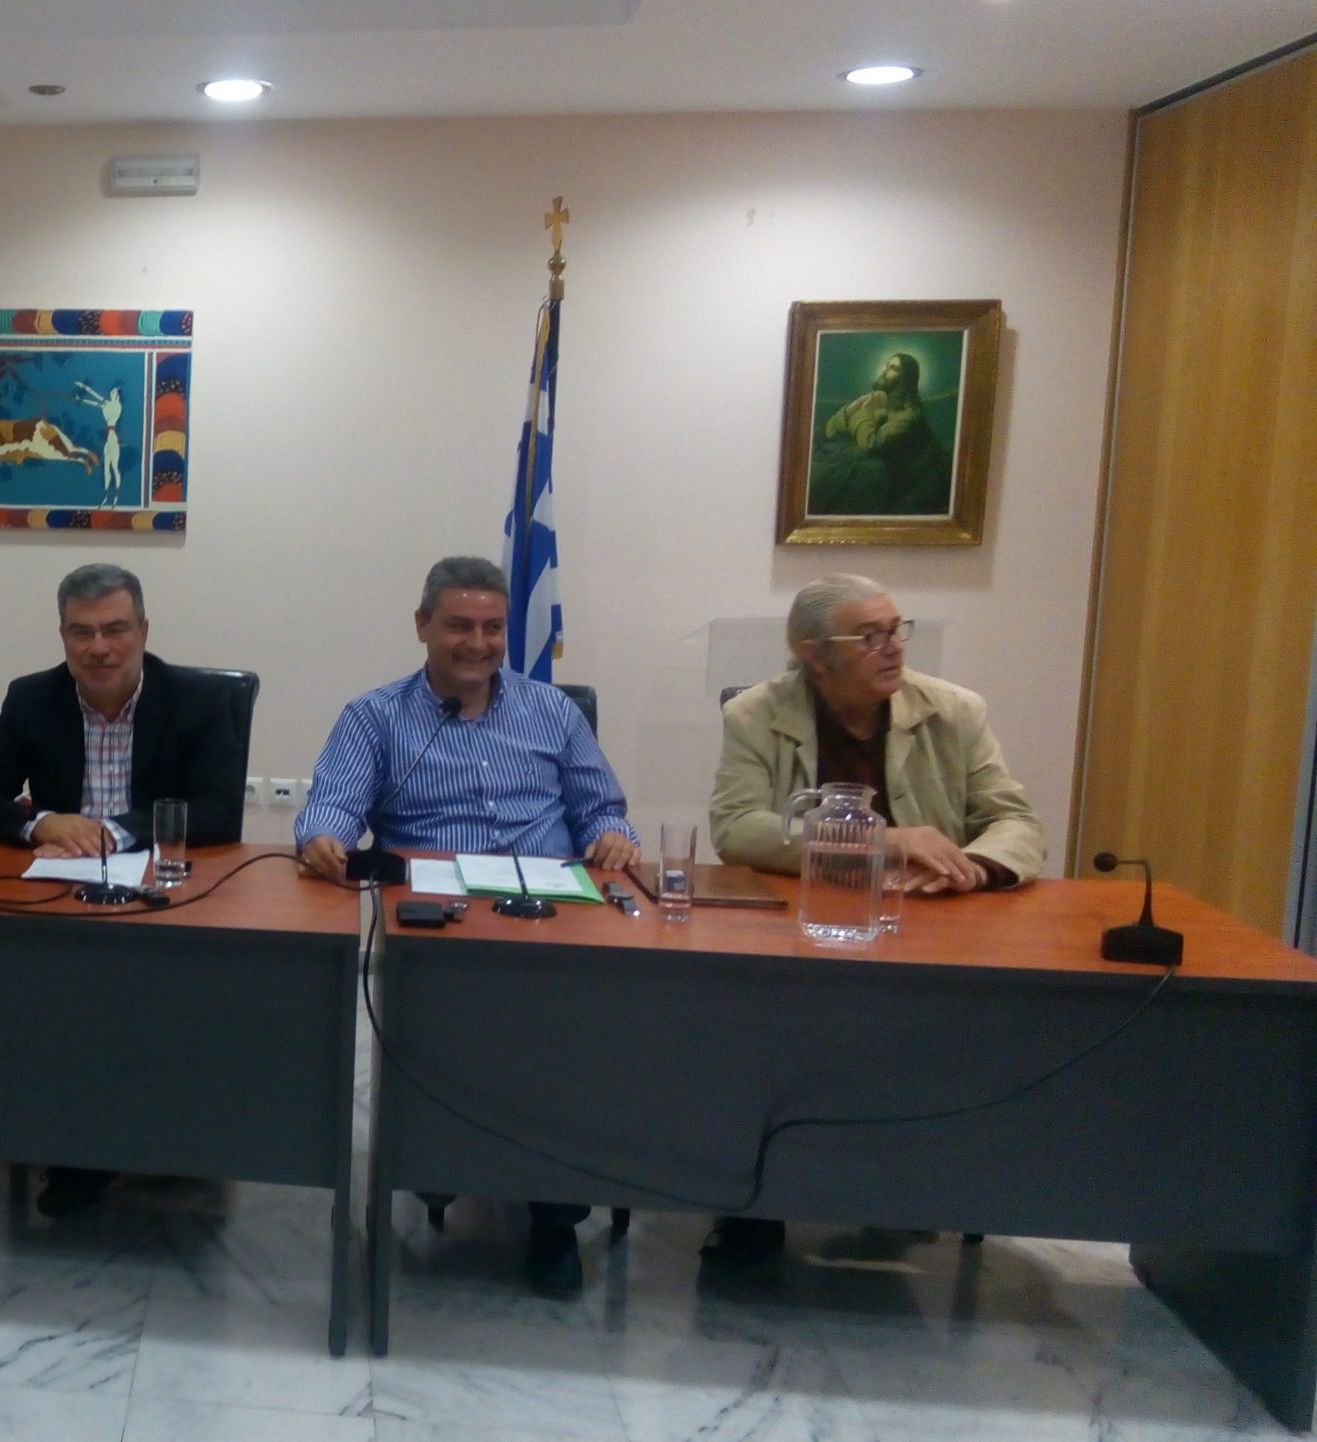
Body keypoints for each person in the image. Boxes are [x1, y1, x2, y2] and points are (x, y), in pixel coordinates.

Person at [294, 555, 637, 1294]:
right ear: (422, 626)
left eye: (492, 627)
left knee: (562, 1057)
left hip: (549, 920)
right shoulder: (376, 716)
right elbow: (331, 808)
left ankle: (554, 1218)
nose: (478, 643)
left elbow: (601, 809)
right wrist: (321, 837)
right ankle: (436, 1162)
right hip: (436, 931)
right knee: (446, 1048)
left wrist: (613, 835)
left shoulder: (553, 711)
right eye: (459, 626)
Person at [701, 572, 1046, 1265]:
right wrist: (881, 839)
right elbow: (737, 829)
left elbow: (1014, 821)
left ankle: (900, 1188)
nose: (893, 647)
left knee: (919, 1045)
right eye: (870, 636)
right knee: (756, 1032)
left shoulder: (953, 711)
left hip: (923, 927)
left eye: (896, 630)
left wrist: (975, 866)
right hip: (799, 930)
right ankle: (752, 1206)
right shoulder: (755, 713)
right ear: (812, 652)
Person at [0, 562, 248, 1216]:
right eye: (81, 632)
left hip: (166, 899)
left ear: (144, 630)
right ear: (62, 636)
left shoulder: (198, 700)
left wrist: (114, 831)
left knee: (140, 994)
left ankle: (148, 1135)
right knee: (62, 990)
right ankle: (79, 1147)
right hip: (64, 900)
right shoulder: (33, 698)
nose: (99, 648)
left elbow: (222, 813)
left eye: (115, 629)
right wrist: (41, 822)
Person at [807, 352, 953, 517]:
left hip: (908, 483)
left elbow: (870, 443)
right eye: (887, 366)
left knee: (859, 472)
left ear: (906, 378)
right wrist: (851, 409)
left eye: (893, 368)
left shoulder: (910, 414)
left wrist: (864, 411)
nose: (885, 371)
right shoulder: (883, 402)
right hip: (882, 467)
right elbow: (830, 429)